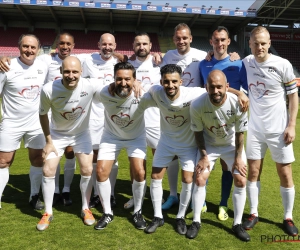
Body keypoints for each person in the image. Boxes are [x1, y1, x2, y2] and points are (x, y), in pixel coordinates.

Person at [136, 64, 207, 235]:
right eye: (166, 82)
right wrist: (136, 83)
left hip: (188, 145)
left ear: (181, 81)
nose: (170, 85)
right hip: (165, 143)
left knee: (188, 179)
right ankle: (158, 216)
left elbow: (213, 89)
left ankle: (180, 217)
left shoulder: (193, 93)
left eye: (174, 81)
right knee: (155, 176)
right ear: (161, 82)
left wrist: (240, 93)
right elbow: (142, 91)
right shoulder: (156, 91)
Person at [242, 26, 299, 236]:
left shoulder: (282, 64)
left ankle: (288, 216)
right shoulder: (246, 62)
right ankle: (253, 213)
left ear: (269, 43)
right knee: (254, 172)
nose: (259, 47)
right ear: (250, 44)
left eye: (263, 43)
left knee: (284, 173)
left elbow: (293, 97)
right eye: (255, 43)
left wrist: (291, 125)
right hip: (255, 130)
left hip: (279, 130)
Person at [37, 56, 102, 231]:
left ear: (81, 72)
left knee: (87, 169)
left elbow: (113, 88)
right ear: (60, 72)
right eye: (67, 71)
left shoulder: (90, 85)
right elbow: (43, 115)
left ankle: (85, 208)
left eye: (75, 71)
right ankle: (48, 212)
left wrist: (136, 84)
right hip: (57, 135)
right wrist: (49, 141)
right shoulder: (49, 89)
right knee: (48, 170)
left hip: (81, 134)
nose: (71, 75)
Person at [189, 69, 249, 241]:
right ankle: (196, 221)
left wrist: (238, 158)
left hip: (231, 146)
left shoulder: (238, 103)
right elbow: (198, 133)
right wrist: (203, 156)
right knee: (200, 178)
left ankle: (237, 223)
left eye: (219, 87)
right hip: (209, 146)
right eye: (212, 87)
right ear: (206, 87)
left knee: (241, 179)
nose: (215, 91)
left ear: (227, 87)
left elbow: (240, 133)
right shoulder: (197, 105)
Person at [197, 26, 248, 221]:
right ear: (211, 42)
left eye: (223, 40)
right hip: (210, 120)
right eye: (216, 40)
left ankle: (223, 204)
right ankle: (201, 203)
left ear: (228, 41)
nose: (219, 44)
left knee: (230, 168)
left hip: (231, 122)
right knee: (205, 166)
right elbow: (204, 90)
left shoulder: (238, 63)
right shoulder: (204, 64)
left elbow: (244, 92)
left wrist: (238, 93)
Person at [159, 23, 207, 210]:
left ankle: (199, 197)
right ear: (173, 39)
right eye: (178, 38)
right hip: (173, 111)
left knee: (197, 156)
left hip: (194, 111)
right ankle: (172, 195)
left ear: (191, 38)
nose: (181, 41)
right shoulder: (168, 56)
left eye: (184, 38)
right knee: (172, 156)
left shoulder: (202, 55)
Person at [93, 62, 147, 231]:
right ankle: (107, 212)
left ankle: (138, 211)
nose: (123, 83)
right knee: (101, 171)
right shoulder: (105, 93)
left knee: (139, 171)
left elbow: (163, 93)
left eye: (127, 79)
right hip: (111, 137)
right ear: (113, 78)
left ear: (134, 80)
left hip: (136, 138)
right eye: (119, 79)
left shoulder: (143, 94)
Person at [0, 34, 48, 210]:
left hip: (36, 124)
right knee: (3, 161)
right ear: (19, 47)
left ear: (38, 48)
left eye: (33, 47)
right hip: (11, 123)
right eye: (25, 46)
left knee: (37, 160)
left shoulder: (43, 66)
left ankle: (34, 196)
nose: (29, 50)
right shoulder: (6, 66)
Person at [124, 32, 161, 209]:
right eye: (138, 44)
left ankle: (157, 195)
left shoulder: (159, 64)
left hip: (155, 120)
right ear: (133, 46)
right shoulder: (127, 66)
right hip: (135, 121)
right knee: (136, 163)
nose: (141, 47)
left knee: (159, 159)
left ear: (150, 45)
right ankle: (136, 195)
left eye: (145, 44)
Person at [82, 33, 119, 209]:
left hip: (114, 117)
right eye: (104, 44)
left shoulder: (119, 63)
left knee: (114, 157)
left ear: (115, 46)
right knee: (96, 157)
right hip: (95, 117)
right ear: (98, 45)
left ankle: (111, 194)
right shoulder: (88, 60)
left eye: (110, 44)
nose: (107, 47)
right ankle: (97, 194)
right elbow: (63, 57)